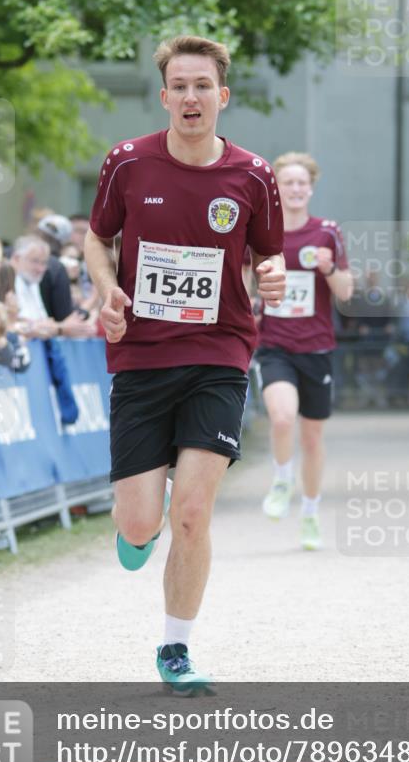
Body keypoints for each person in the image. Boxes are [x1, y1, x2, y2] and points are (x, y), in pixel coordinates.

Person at [84, 34, 285, 691]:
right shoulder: (128, 162)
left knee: (192, 513)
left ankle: (176, 649)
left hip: (219, 353)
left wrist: (275, 278)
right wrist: (107, 289)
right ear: (164, 95)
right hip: (140, 357)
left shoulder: (254, 176)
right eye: (181, 85)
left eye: (204, 85)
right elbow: (97, 237)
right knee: (142, 519)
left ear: (222, 96)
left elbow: (268, 253)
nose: (192, 96)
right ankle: (136, 527)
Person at [255, 151, 353, 550]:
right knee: (281, 418)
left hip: (316, 347)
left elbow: (346, 293)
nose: (295, 189)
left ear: (311, 188)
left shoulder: (327, 232)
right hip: (274, 343)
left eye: (301, 183)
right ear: (276, 188)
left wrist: (329, 268)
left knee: (312, 438)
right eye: (287, 182)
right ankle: (282, 479)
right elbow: (245, 283)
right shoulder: (262, 233)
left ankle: (310, 514)